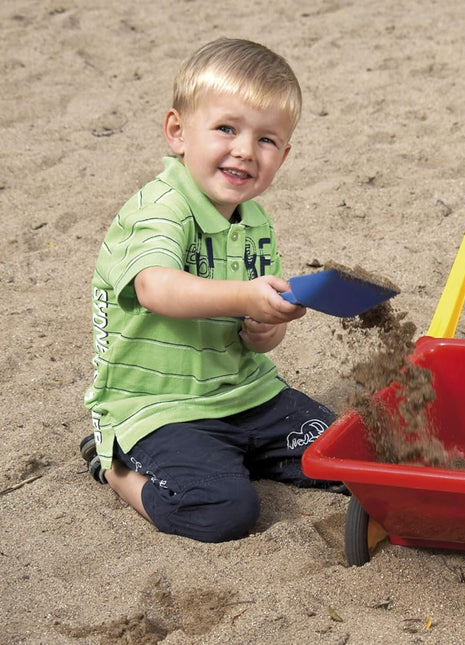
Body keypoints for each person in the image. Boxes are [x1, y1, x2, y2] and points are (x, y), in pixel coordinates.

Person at [81, 38, 343, 543]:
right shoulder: (160, 208)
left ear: (283, 155)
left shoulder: (255, 219)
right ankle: (113, 466)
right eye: (226, 128)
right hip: (160, 408)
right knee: (224, 511)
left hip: (247, 394)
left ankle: (236, 457)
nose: (245, 150)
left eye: (266, 140)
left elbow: (250, 331)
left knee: (352, 457)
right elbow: (156, 288)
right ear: (178, 132)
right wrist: (246, 296)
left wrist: (264, 327)